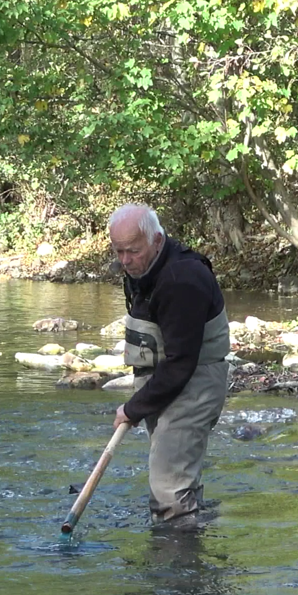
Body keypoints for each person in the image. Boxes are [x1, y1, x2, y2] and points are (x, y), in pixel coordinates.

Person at [108, 203, 230, 522]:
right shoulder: (143, 269)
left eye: (132, 251)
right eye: (118, 251)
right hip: (166, 380)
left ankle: (178, 567)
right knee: (175, 476)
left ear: (158, 240)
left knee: (169, 489)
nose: (125, 261)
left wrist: (133, 409)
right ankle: (192, 540)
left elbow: (181, 363)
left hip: (194, 384)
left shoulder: (181, 280)